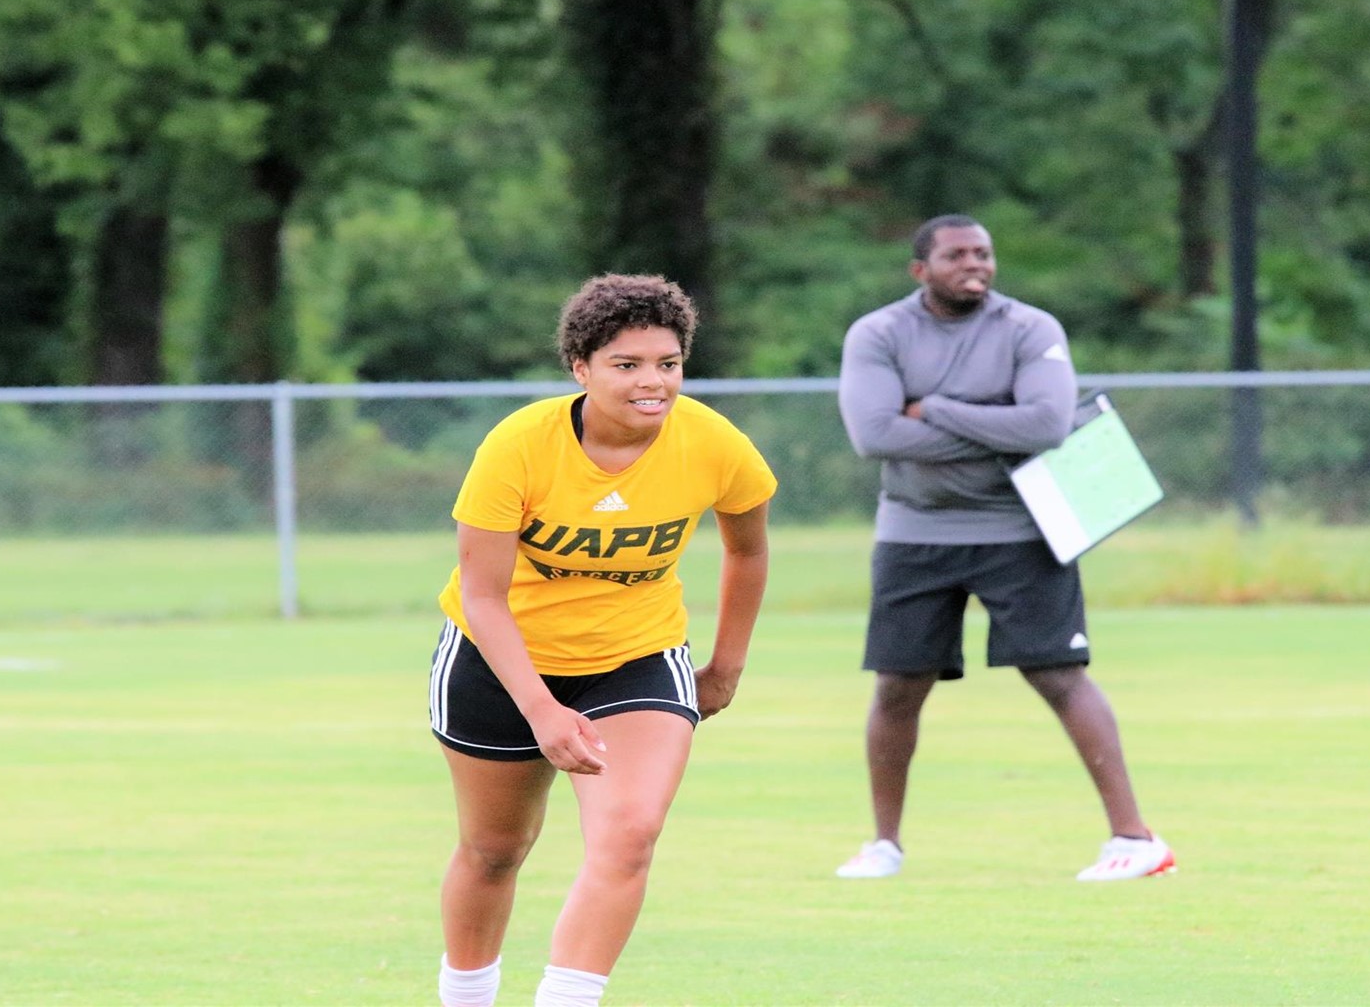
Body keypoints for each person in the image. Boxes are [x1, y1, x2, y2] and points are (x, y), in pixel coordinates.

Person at [430, 274, 776, 1007]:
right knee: (494, 851)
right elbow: (485, 597)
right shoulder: (518, 446)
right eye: (627, 365)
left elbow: (748, 550)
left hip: (636, 658)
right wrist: (540, 709)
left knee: (629, 836)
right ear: (581, 369)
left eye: (669, 362)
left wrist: (727, 666)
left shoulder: (714, 443)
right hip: (501, 663)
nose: (653, 382)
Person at [832, 214, 1173, 883]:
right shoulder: (878, 334)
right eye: (957, 255)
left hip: (1023, 531)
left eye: (984, 254)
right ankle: (884, 846)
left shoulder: (1030, 327)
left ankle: (1135, 841)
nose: (975, 266)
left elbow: (1046, 424)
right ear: (921, 270)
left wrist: (931, 409)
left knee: (1058, 676)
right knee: (898, 686)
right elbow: (874, 435)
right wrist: (996, 423)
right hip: (914, 532)